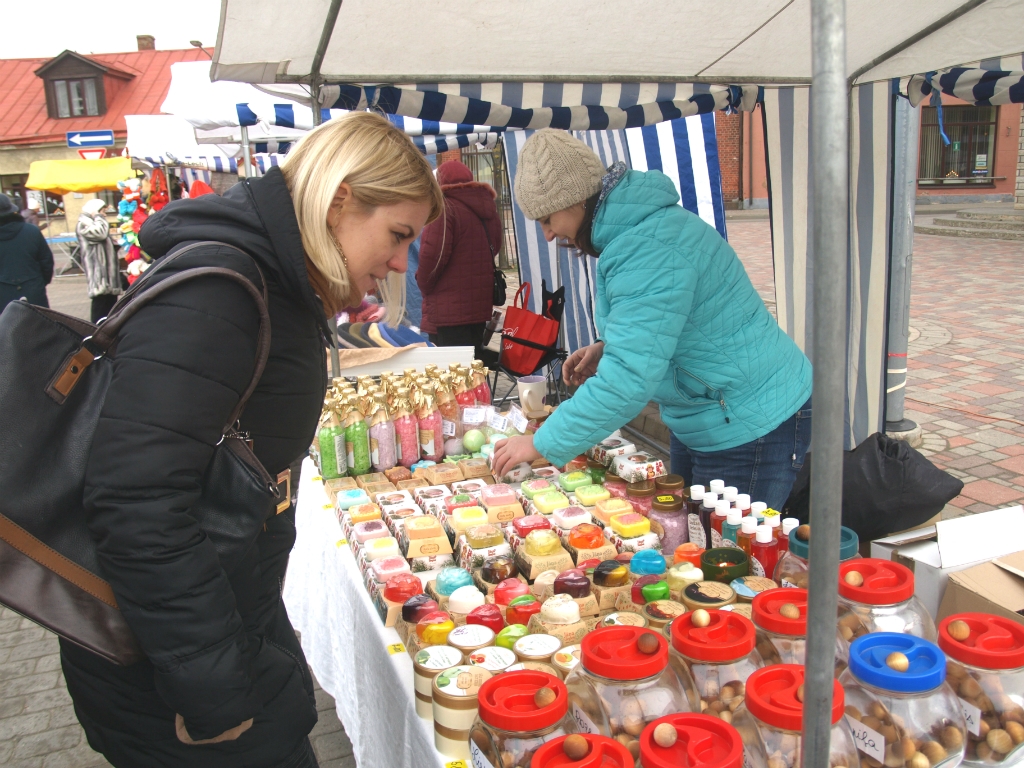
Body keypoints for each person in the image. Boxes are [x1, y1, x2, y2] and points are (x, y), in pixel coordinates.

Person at [61, 112, 442, 768]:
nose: (400, 262)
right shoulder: (222, 292)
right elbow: (136, 502)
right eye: (398, 234)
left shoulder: (270, 283)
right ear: (340, 197)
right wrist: (217, 695)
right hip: (173, 673)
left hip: (216, 630)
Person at [492, 130, 812, 510]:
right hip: (707, 411)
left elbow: (628, 380)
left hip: (749, 418)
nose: (546, 235)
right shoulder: (637, 233)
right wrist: (607, 348)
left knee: (728, 554)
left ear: (576, 200)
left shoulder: (647, 246)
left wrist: (541, 442)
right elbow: (667, 320)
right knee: (694, 534)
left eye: (547, 219)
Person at [416, 159, 501, 359]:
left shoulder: (444, 209)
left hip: (448, 311)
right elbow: (494, 248)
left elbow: (431, 259)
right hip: (479, 306)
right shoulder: (487, 208)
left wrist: (423, 284)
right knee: (473, 367)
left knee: (452, 373)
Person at [0, 193, 53, 314]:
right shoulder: (32, 231)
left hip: (3, 299)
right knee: (38, 330)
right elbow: (47, 262)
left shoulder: (31, 230)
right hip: (33, 293)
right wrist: (37, 282)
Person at [76, 198, 122, 321]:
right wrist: (98, 216)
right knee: (100, 308)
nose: (104, 215)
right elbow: (100, 233)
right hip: (98, 274)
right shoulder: (84, 223)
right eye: (102, 211)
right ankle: (95, 332)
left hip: (108, 274)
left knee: (111, 307)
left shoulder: (95, 222)